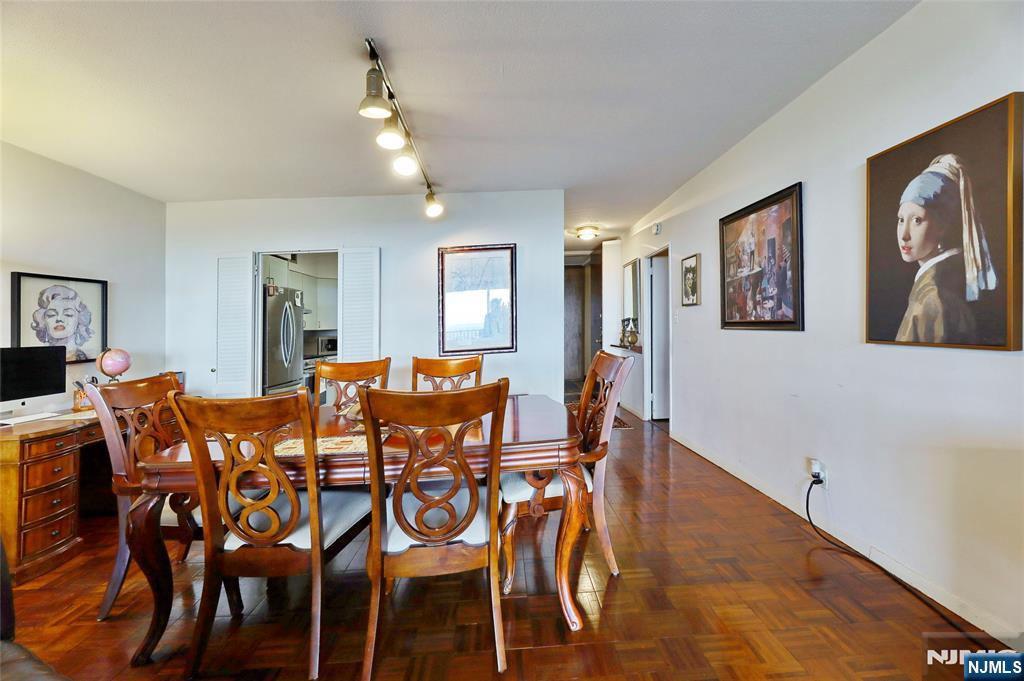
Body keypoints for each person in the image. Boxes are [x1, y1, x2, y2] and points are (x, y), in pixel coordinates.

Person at [894, 154, 996, 344]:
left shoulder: (934, 298)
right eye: (901, 220)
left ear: (942, 225)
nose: (904, 235)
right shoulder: (944, 283)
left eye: (917, 220)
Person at [30, 284, 94, 361]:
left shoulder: (85, 358)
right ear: (43, 320)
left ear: (79, 320)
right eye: (51, 315)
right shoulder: (37, 358)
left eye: (68, 314)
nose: (59, 319)